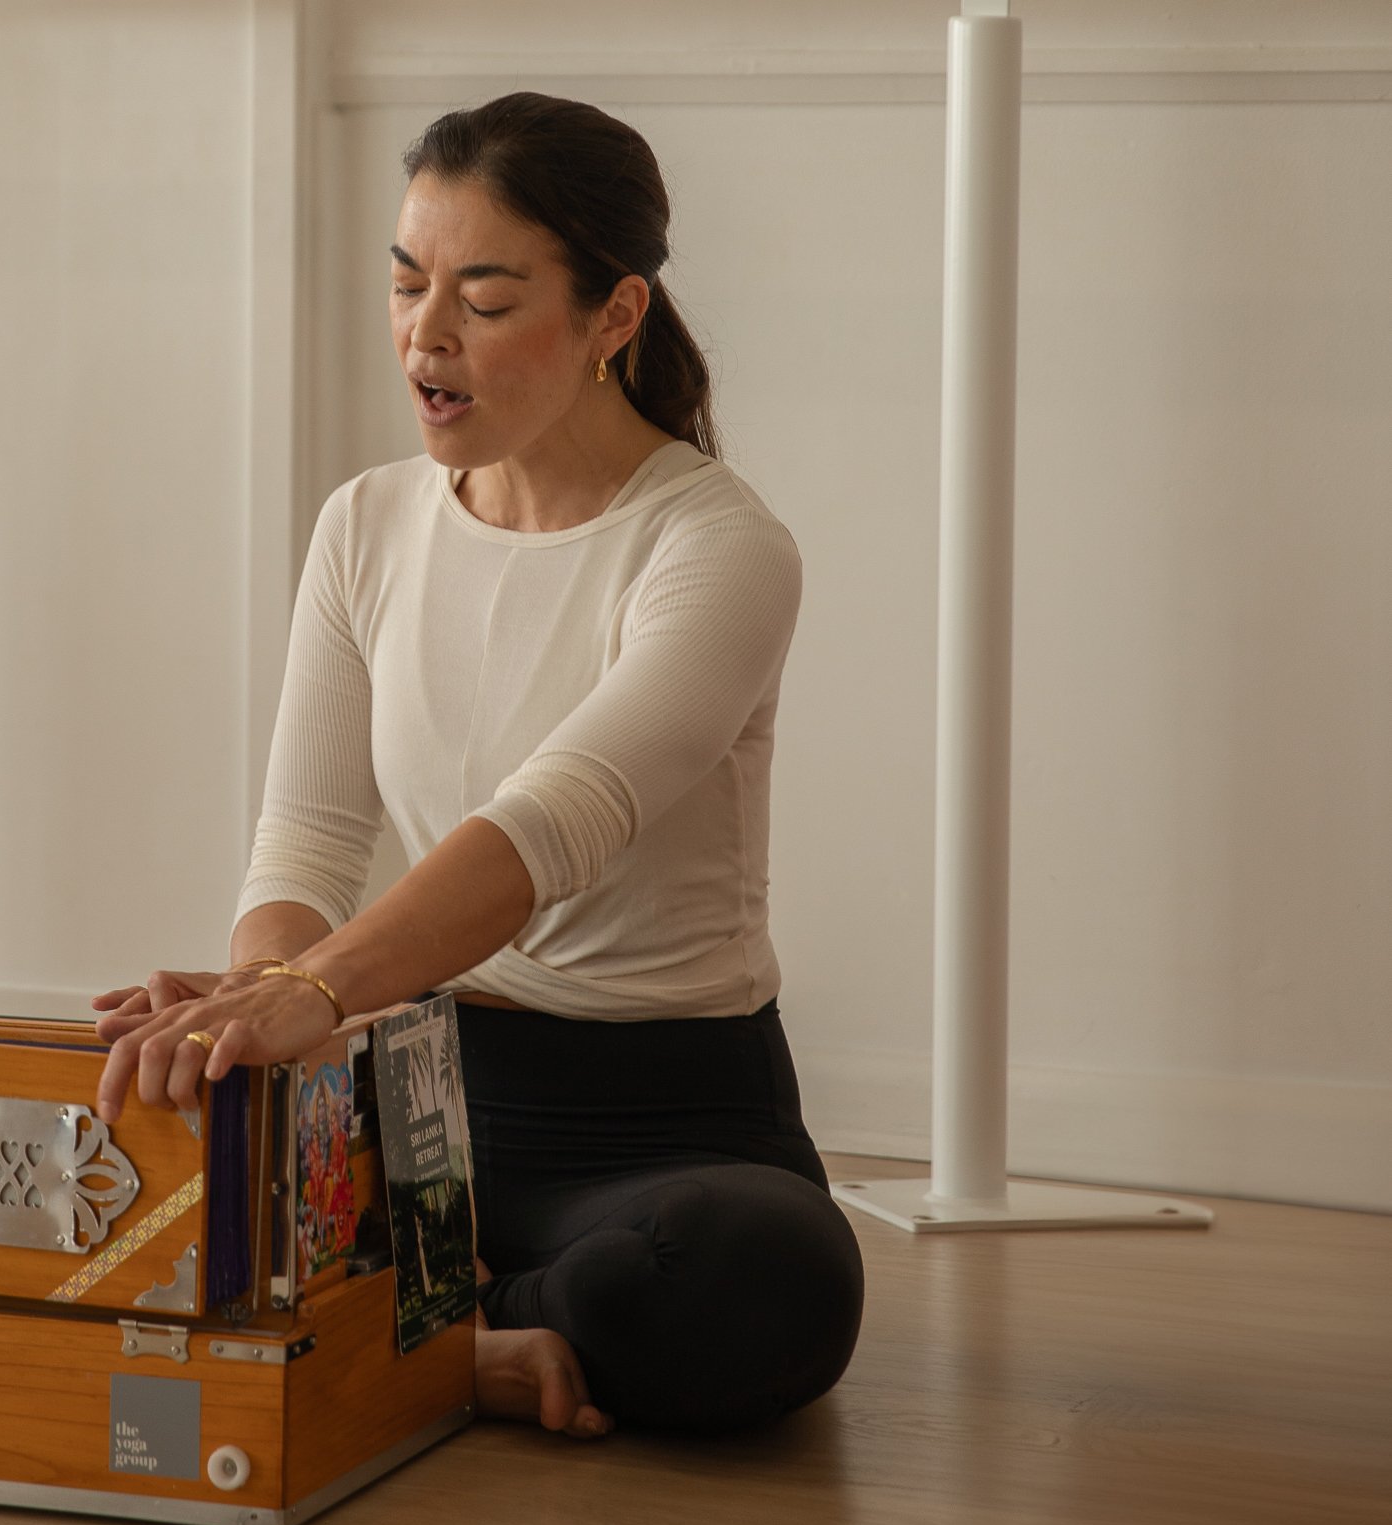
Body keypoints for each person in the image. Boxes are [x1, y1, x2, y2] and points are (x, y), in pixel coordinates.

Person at [94, 91, 864, 1441]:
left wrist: (311, 989)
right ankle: (462, 1340)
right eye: (408, 285)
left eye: (486, 300)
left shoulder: (720, 548)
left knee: (758, 1280)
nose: (425, 336)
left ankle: (407, 1327)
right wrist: (263, 1024)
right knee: (124, 1155)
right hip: (414, 1092)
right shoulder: (366, 524)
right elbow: (306, 846)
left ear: (615, 316)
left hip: (665, 1126)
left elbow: (553, 824)